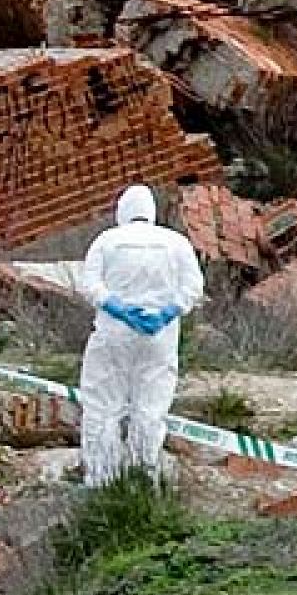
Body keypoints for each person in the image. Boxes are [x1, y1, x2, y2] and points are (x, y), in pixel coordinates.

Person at [77, 184, 204, 487]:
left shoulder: (107, 241)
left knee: (103, 406)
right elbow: (193, 288)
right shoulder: (176, 242)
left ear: (122, 211)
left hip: (114, 333)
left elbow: (89, 285)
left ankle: (101, 479)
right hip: (158, 335)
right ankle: (142, 475)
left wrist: (119, 309)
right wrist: (166, 313)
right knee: (151, 408)